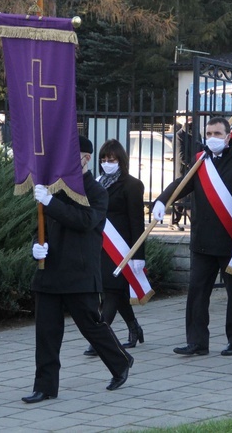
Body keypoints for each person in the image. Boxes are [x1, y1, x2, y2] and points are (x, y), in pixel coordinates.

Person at [24, 135, 134, 404]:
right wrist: (36, 247)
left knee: (91, 325)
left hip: (80, 272)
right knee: (46, 333)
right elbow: (39, 229)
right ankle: (45, 386)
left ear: (85, 159)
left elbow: (85, 221)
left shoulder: (97, 192)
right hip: (49, 271)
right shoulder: (52, 190)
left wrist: (51, 204)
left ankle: (120, 362)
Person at [153, 116, 232, 357]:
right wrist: (162, 200)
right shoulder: (201, 162)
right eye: (208, 134)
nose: (212, 139)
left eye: (218, 134)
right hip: (202, 242)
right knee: (197, 293)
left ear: (229, 137)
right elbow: (182, 184)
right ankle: (197, 342)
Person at [84, 139, 146, 356]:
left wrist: (139, 254)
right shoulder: (97, 183)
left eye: (111, 159)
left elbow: (137, 222)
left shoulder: (132, 185)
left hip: (122, 248)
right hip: (100, 245)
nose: (107, 163)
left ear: (121, 160)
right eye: (103, 159)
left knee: (111, 292)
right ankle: (133, 328)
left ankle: (100, 339)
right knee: (113, 291)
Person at [170, 115, 198, 231]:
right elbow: (180, 155)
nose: (191, 123)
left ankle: (177, 221)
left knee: (190, 197)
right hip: (183, 171)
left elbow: (200, 149)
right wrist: (191, 164)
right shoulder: (179, 135)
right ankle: (174, 222)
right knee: (183, 198)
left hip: (195, 169)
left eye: (192, 120)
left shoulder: (196, 135)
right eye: (189, 120)